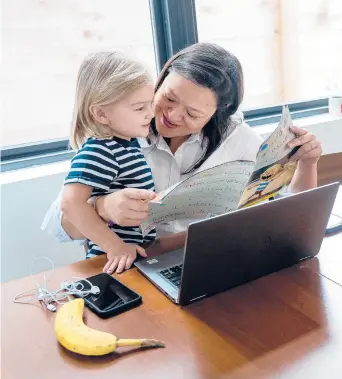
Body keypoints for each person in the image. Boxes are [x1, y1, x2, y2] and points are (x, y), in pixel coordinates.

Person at [42, 43, 322, 273]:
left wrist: (307, 164)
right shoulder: (120, 128)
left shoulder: (239, 139)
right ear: (159, 81)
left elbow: (289, 215)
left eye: (193, 114)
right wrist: (103, 207)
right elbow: (60, 226)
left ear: (217, 114)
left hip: (206, 260)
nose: (172, 116)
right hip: (133, 263)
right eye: (169, 98)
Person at [61, 52, 156, 273]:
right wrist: (116, 247)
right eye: (140, 108)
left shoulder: (127, 143)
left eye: (151, 104)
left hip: (133, 254)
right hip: (114, 260)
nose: (150, 113)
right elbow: (71, 203)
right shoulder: (100, 150)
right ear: (101, 113)